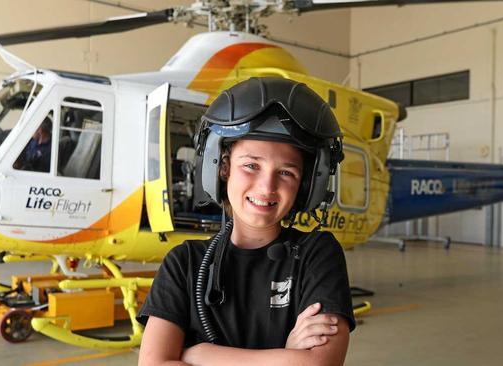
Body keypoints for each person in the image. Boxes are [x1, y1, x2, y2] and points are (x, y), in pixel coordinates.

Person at [137, 77, 355, 366]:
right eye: (251, 166)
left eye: (287, 173)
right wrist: (286, 357)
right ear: (222, 168)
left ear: (305, 186)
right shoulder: (184, 263)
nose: (267, 187)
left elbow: (318, 364)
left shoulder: (316, 253)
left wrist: (197, 355)